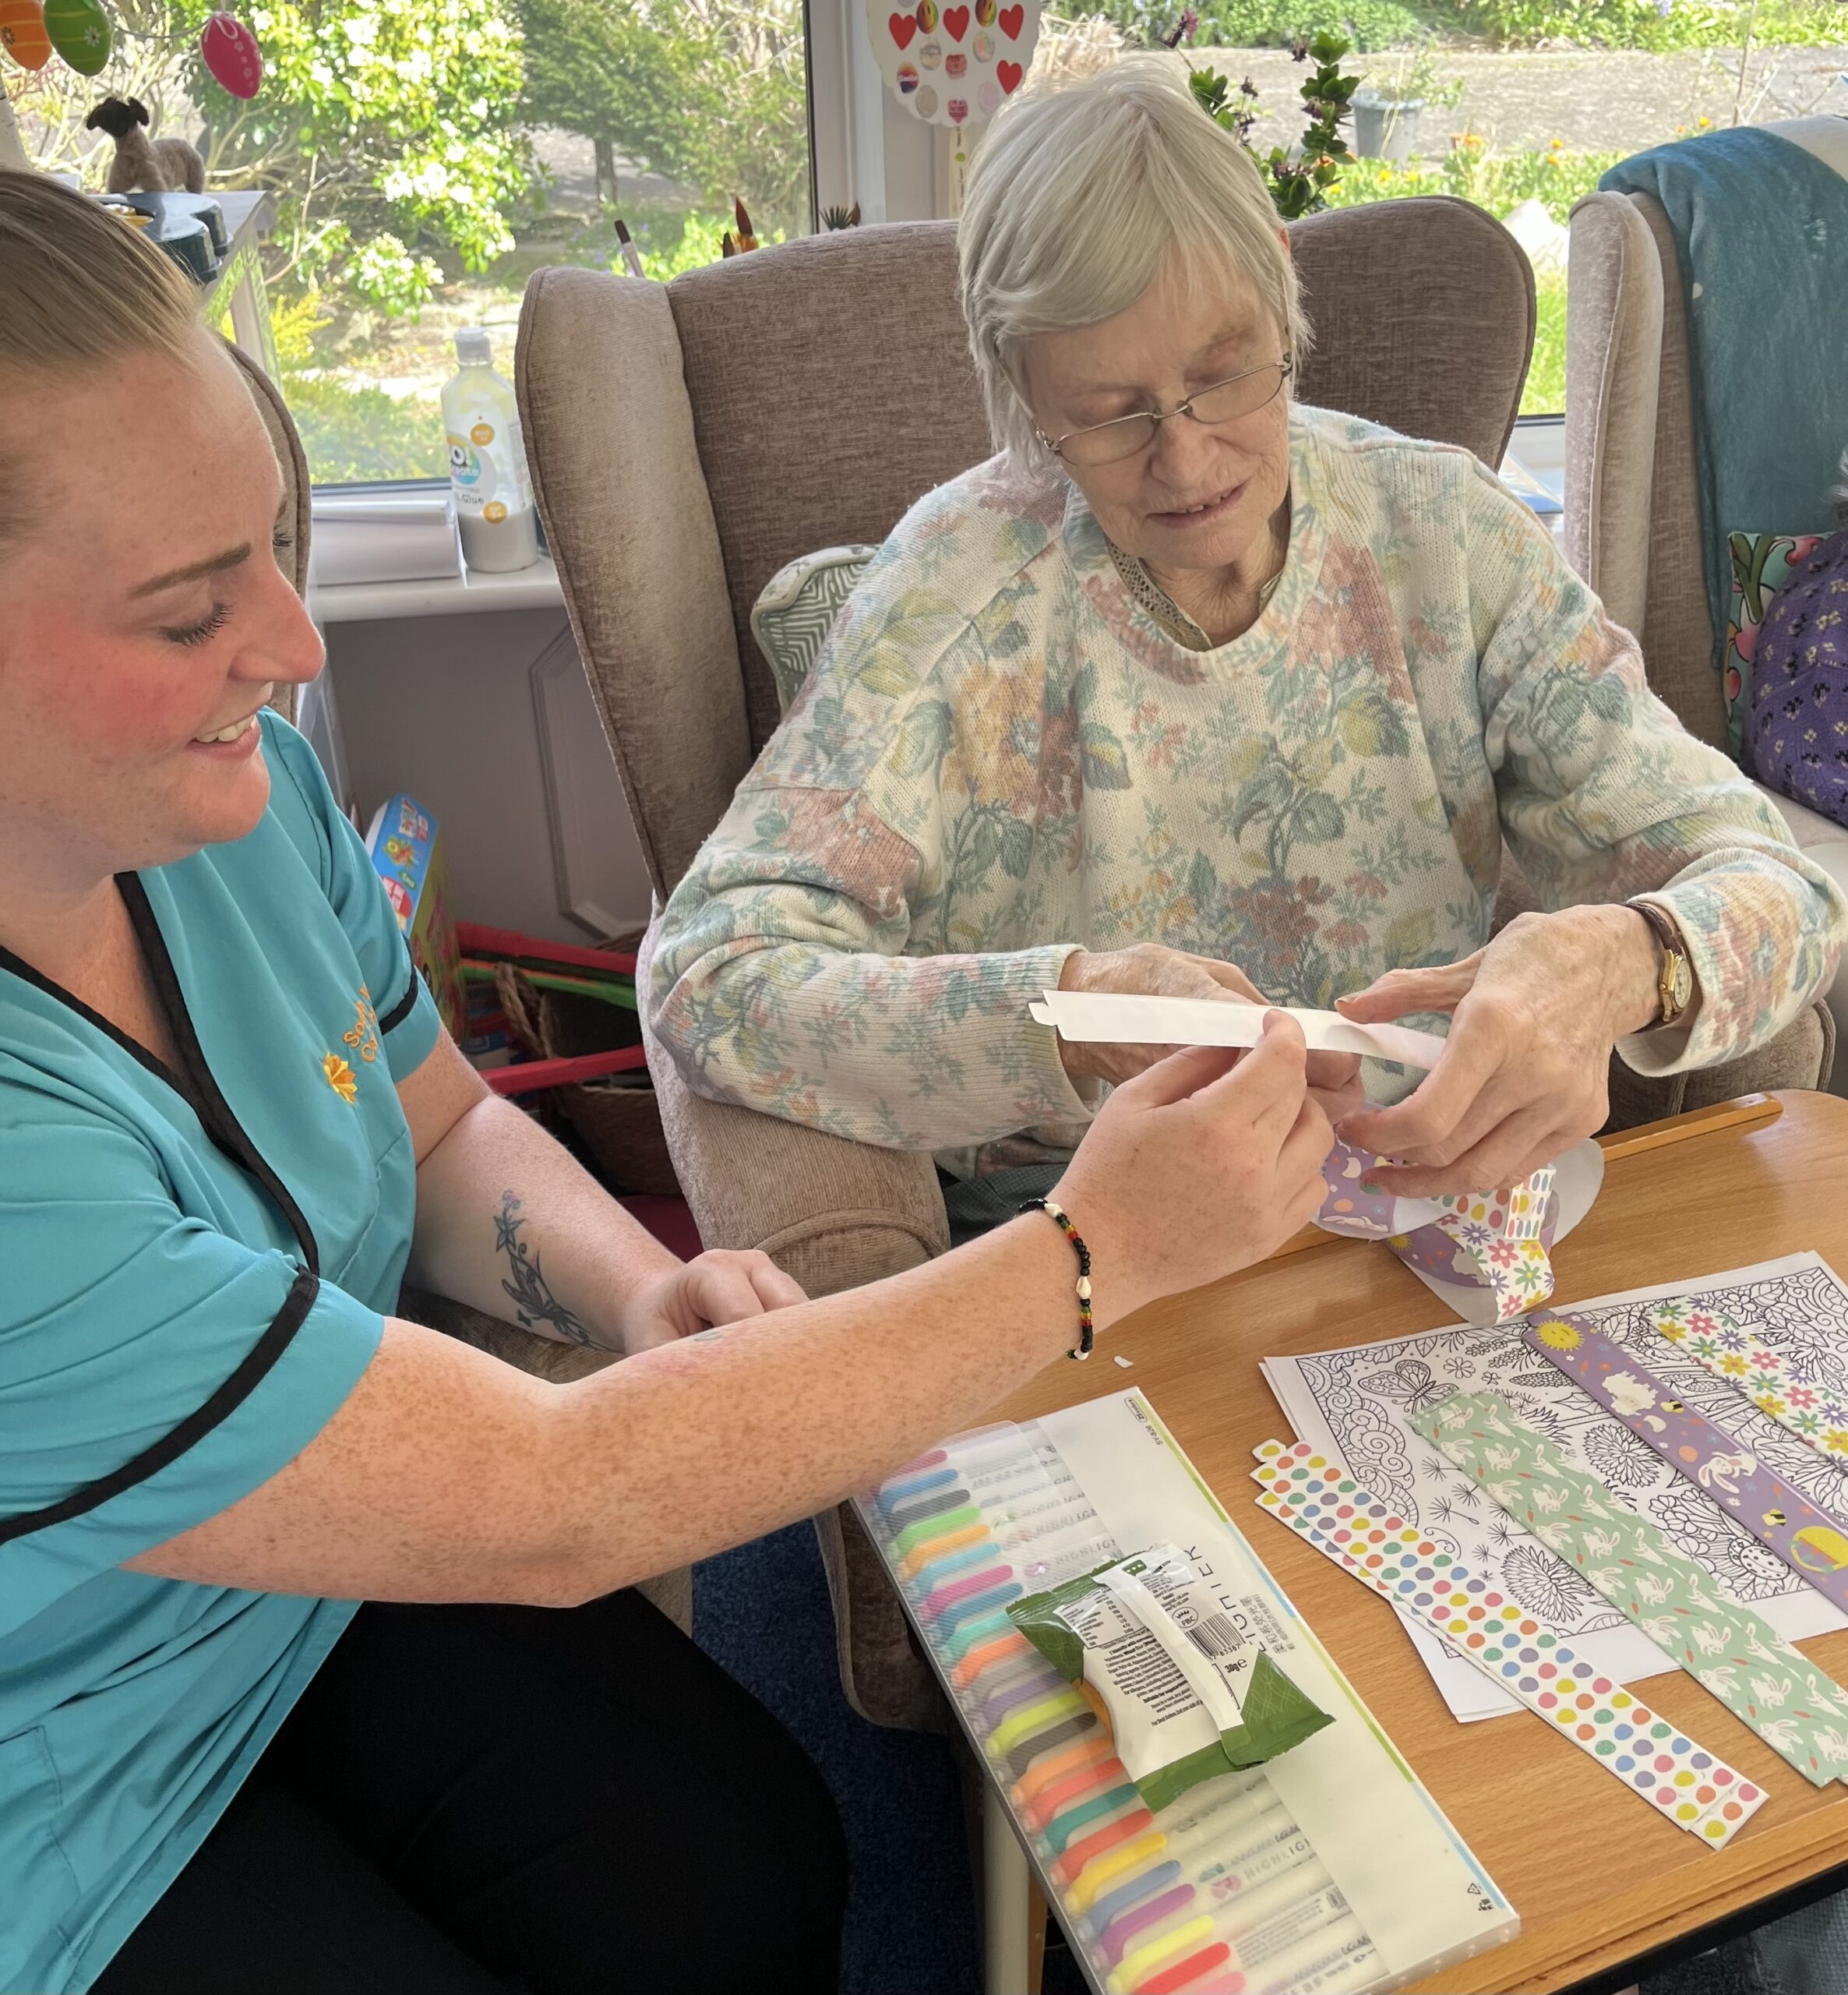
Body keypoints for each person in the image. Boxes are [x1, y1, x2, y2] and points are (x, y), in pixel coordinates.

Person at [0, 171, 1336, 1995]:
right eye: (184, 611)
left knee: (743, 1872)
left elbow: (436, 1121)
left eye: (281, 543)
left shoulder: (226, 809)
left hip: (276, 1582)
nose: (298, 650)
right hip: (52, 1786)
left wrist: (641, 1290)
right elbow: (559, 1501)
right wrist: (1088, 1254)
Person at [647, 57, 1846, 1230]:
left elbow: (1780, 889)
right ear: (1019, 387)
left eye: (1225, 377)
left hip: (1436, 1194)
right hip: (1088, 1221)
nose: (1187, 461)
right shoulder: (953, 597)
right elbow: (707, 977)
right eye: (1108, 417)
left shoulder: (1448, 538)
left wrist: (1626, 959)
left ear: (1279, 287)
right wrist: (1073, 1007)